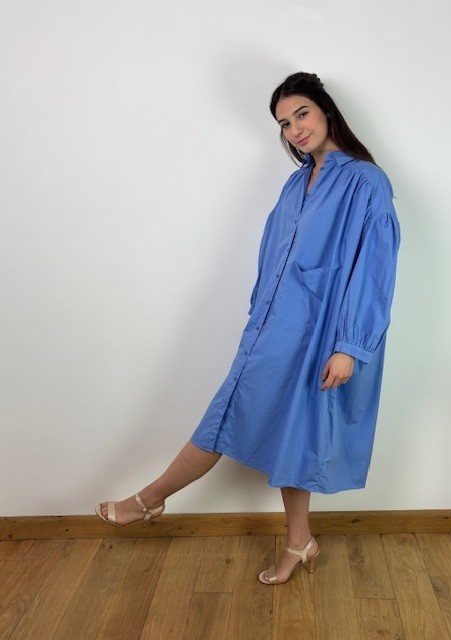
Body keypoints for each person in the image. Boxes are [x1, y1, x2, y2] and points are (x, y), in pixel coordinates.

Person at [96, 72, 400, 586]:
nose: (295, 129)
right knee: (274, 429)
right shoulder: (295, 183)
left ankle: (148, 500)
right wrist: (259, 316)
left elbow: (375, 269)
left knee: (252, 422)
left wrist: (350, 346)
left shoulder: (365, 181)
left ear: (326, 111)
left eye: (301, 114)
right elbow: (272, 259)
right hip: (274, 329)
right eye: (284, 123)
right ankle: (299, 540)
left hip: (321, 333)